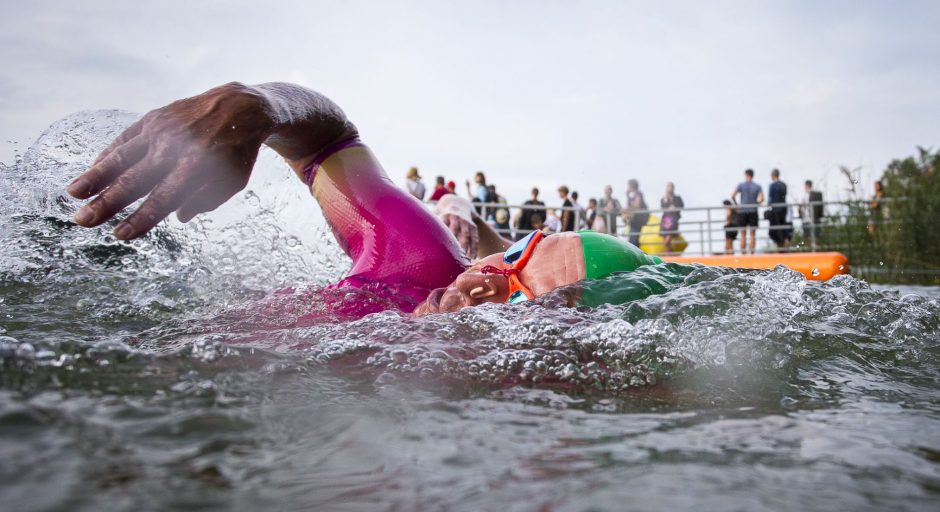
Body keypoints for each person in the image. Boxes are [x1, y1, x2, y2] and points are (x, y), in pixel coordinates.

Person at [66, 82, 666, 317]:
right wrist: (256, 107)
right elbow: (328, 138)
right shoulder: (418, 265)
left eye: (521, 294)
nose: (482, 282)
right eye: (505, 262)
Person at [730, 169, 764, 254]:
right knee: (752, 234)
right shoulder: (757, 186)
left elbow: (733, 195)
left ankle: (743, 254)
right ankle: (752, 254)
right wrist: (757, 203)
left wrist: (737, 205)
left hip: (742, 211)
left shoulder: (741, 185)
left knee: (743, 234)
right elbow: (762, 198)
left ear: (746, 175)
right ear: (753, 175)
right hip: (753, 210)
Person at [765, 169, 792, 249]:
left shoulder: (772, 185)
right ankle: (784, 243)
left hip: (775, 210)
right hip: (783, 209)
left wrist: (769, 205)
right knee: (783, 227)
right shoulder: (784, 184)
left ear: (773, 176)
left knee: (775, 229)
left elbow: (770, 198)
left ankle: (779, 245)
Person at [659, 182, 684, 253]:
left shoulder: (677, 198)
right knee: (666, 243)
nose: (669, 189)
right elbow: (662, 207)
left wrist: (674, 206)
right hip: (665, 221)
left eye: (671, 187)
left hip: (673, 222)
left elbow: (681, 206)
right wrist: (666, 198)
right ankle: (668, 257)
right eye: (668, 187)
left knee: (667, 242)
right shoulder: (663, 198)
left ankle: (669, 256)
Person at [623, 179, 648, 247]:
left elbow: (637, 206)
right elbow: (628, 205)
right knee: (634, 239)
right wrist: (627, 196)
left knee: (633, 239)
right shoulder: (633, 195)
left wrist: (627, 209)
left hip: (638, 219)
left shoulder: (638, 193)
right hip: (634, 220)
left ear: (632, 186)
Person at [799, 180, 824, 244]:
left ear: (806, 186)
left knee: (813, 237)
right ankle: (812, 251)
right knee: (809, 237)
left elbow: (802, 207)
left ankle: (813, 251)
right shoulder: (817, 195)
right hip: (809, 220)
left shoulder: (816, 195)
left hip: (811, 219)